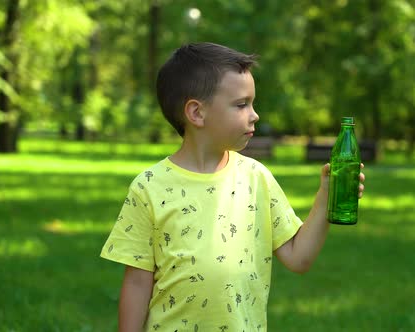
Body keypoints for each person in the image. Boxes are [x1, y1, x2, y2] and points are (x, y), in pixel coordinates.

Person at [100, 42, 366, 332]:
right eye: (241, 104)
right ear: (197, 113)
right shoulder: (149, 187)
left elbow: (298, 257)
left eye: (252, 103)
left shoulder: (256, 178)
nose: (254, 115)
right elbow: (138, 282)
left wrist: (325, 195)